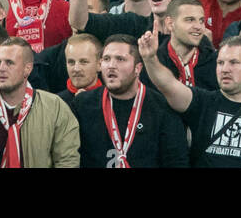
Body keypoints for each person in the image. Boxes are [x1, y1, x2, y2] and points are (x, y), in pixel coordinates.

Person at [137, 31, 241, 167]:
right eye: (220, 63)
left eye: (234, 62)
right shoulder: (202, 102)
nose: (225, 69)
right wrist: (150, 58)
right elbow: (168, 85)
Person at [71, 33, 189, 167]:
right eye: (106, 59)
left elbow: (176, 161)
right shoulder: (82, 105)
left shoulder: (161, 107)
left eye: (120, 59)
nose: (111, 65)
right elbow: (70, 157)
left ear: (137, 68)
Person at [0, 37, 80, 167]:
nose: (1, 68)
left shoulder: (54, 107)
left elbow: (67, 161)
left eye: (9, 63)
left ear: (27, 69)